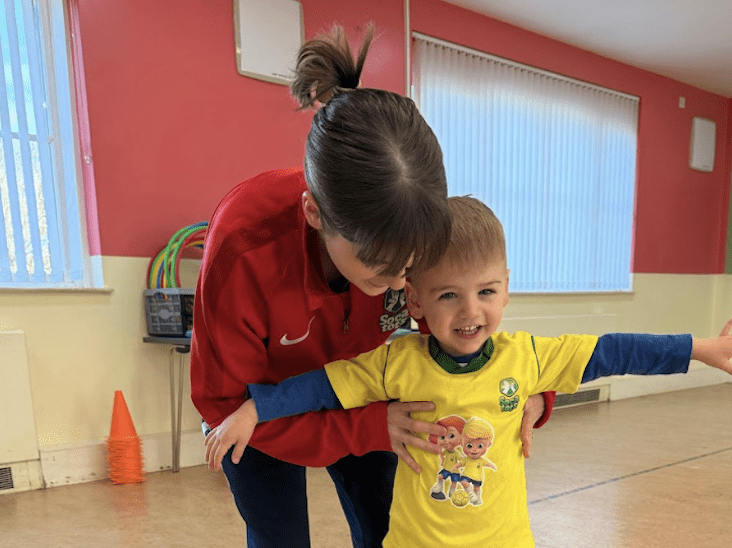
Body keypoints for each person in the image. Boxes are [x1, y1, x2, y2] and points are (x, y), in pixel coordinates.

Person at [203, 196, 732, 548]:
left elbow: (614, 351)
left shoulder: (527, 358)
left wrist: (696, 347)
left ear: (506, 288)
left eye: (486, 292)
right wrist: (259, 406)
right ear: (415, 301)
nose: (470, 311)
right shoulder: (397, 362)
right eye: (448, 295)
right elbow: (323, 385)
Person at [190, 25, 551, 548]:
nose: (403, 285)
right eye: (382, 270)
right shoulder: (244, 245)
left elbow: (460, 331)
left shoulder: (410, 233)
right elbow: (226, 406)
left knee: (389, 528)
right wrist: (369, 429)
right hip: (256, 409)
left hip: (363, 394)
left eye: (415, 265)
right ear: (314, 212)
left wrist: (526, 384)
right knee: (280, 537)